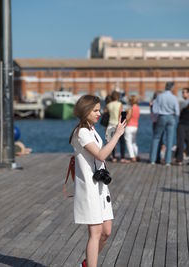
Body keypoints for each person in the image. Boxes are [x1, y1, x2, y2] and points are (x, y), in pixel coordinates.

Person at [69, 95, 126, 267]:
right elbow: (100, 154)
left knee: (106, 232)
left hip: (100, 187)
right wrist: (117, 135)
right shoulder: (81, 133)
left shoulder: (92, 129)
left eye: (99, 109)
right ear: (85, 111)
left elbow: (99, 157)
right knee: (95, 233)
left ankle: (86, 263)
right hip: (89, 188)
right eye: (95, 110)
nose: (99, 113)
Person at [150, 82, 180, 165]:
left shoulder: (160, 96)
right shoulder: (174, 97)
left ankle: (152, 160)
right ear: (172, 88)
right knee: (169, 139)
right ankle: (168, 161)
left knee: (156, 138)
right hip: (171, 117)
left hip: (161, 117)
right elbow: (177, 112)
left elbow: (155, 110)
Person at [105, 91, 130, 163]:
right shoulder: (119, 104)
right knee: (122, 141)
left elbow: (106, 114)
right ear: (118, 97)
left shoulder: (108, 105)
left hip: (110, 124)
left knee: (112, 141)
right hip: (117, 124)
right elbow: (120, 114)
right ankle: (122, 157)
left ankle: (113, 157)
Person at [174, 88, 189, 165]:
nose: (183, 94)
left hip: (183, 125)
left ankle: (179, 159)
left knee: (181, 142)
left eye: (185, 92)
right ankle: (180, 159)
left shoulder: (183, 103)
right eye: (182, 92)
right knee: (183, 142)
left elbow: (178, 112)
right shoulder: (182, 103)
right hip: (184, 124)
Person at [124, 95, 140, 162]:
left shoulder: (130, 108)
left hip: (129, 126)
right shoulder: (138, 108)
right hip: (135, 126)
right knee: (134, 142)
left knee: (128, 142)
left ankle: (132, 157)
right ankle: (136, 155)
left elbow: (128, 118)